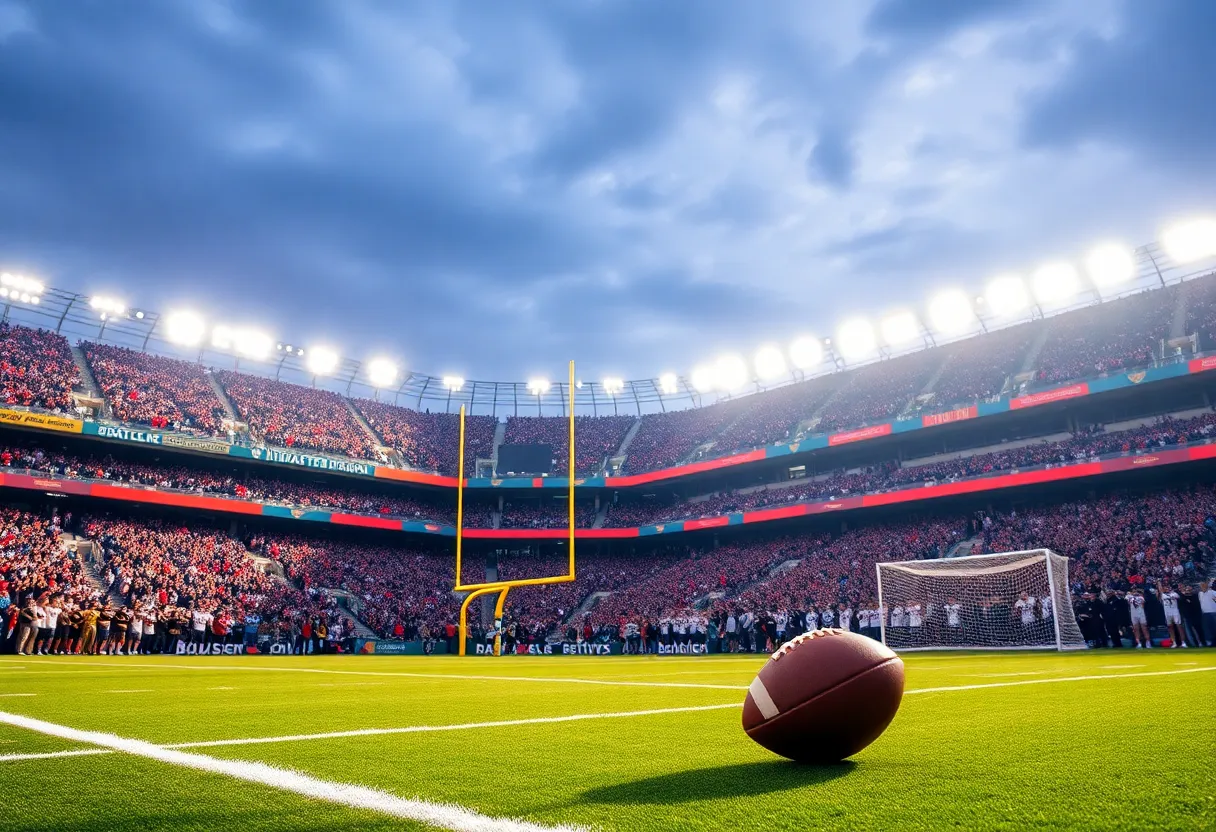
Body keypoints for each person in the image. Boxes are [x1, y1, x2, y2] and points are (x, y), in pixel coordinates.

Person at [1154, 583, 1187, 648]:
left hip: (1175, 612)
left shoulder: (1174, 594)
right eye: (1165, 587)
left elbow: (1179, 597)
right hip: (1167, 613)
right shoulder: (1162, 595)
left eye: (1168, 587)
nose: (1167, 588)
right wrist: (1158, 582)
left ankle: (1183, 642)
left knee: (1179, 627)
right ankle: (1174, 642)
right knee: (1170, 627)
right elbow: (1159, 591)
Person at [1198, 580, 1216, 647]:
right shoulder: (1200, 594)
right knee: (1208, 629)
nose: (1202, 586)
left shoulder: (1213, 592)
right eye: (1201, 585)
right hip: (1205, 613)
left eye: (1203, 585)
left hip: (1214, 612)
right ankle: (1210, 642)